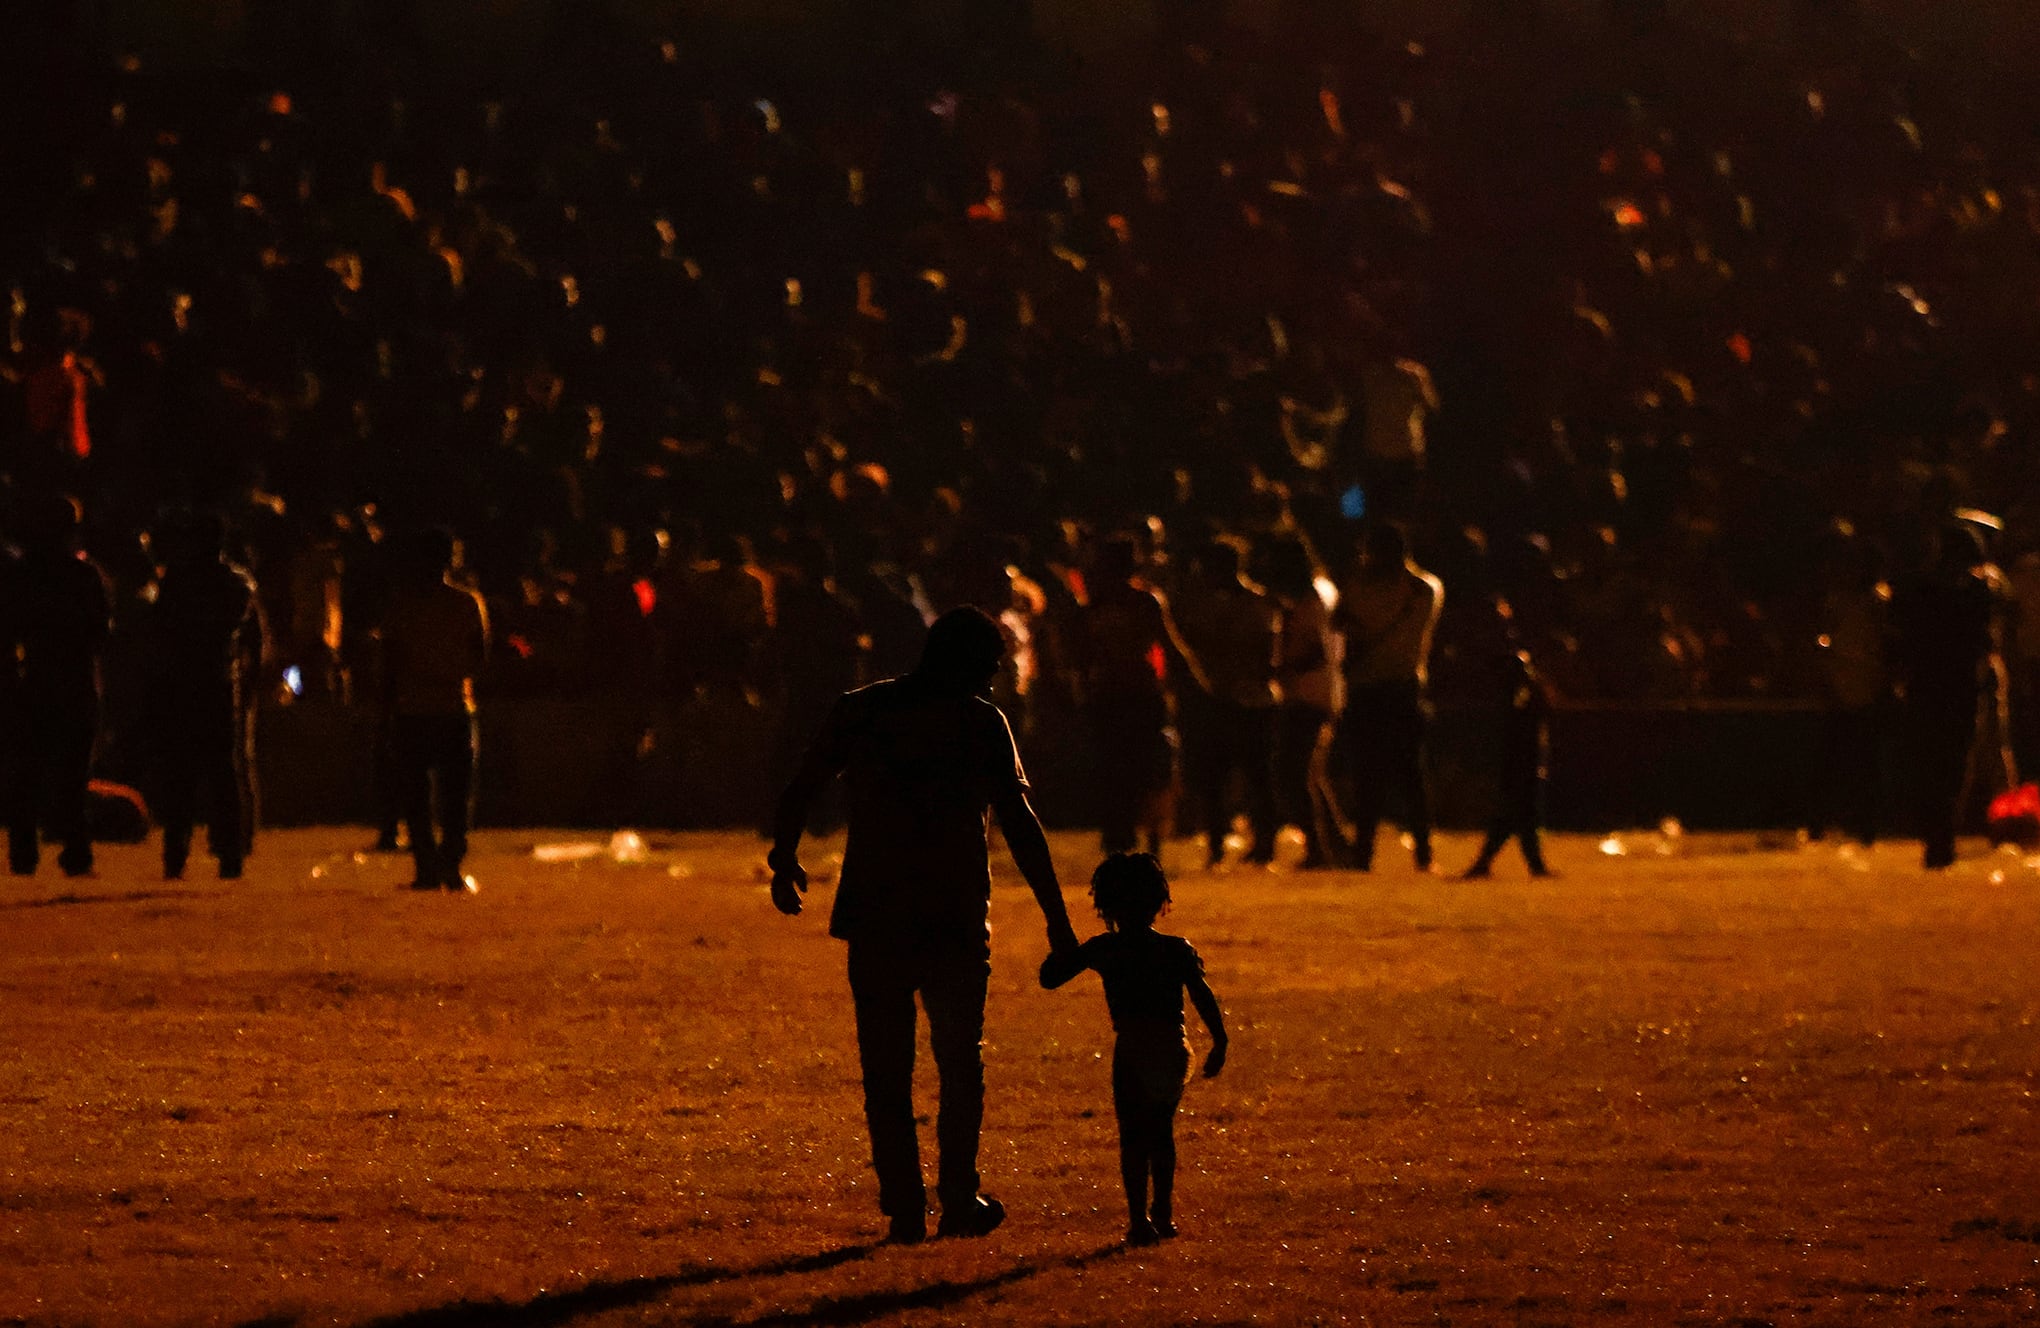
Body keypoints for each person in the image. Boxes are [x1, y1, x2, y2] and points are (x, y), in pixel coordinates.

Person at [767, 606, 1079, 1245]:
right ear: (963, 662)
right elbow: (1020, 825)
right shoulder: (980, 723)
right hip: (952, 913)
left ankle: (905, 1205)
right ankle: (958, 1198)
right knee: (960, 1063)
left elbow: (802, 785)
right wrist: (1057, 920)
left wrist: (785, 856)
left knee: (886, 1066)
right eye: (988, 666)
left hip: (875, 910)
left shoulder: (863, 710)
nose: (992, 680)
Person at [1040, 852, 1227, 1246]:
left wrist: (1062, 944)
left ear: (1105, 904)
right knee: (1161, 1131)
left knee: (1133, 1136)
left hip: (1132, 1048)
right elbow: (1202, 995)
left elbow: (1050, 978)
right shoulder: (1176, 949)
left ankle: (1139, 1219)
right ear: (1158, 899)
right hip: (1172, 1046)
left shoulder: (1105, 949)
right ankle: (1163, 1212)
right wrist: (1219, 1040)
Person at [151, 513, 265, 880]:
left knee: (181, 775)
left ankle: (176, 853)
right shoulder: (238, 583)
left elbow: (160, 632)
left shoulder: (178, 582)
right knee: (223, 774)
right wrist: (250, 680)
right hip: (220, 683)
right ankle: (230, 854)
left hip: (184, 684)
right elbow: (254, 639)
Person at [1079, 535, 1207, 856]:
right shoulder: (1116, 605)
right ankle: (1127, 837)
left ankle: (1137, 837)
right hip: (1123, 694)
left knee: (1138, 770)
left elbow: (1169, 647)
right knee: (1129, 769)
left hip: (1130, 695)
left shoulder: (1129, 604)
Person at [4, 494, 111, 878]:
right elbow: (101, 632)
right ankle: (75, 853)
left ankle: (24, 853)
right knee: (72, 776)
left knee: (26, 775)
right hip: (74, 681)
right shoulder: (84, 576)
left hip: (34, 680)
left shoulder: (22, 575)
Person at [381, 528, 489, 892]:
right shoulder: (467, 603)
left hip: (412, 709)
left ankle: (426, 868)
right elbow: (480, 657)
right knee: (456, 797)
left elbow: (390, 661)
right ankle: (451, 867)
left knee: (416, 796)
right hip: (454, 706)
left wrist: (388, 705)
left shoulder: (402, 606)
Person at [1335, 523, 1444, 871]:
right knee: (1410, 775)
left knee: (1369, 775)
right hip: (1403, 687)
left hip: (1370, 686)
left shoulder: (1360, 588)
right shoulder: (1425, 588)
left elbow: (1342, 622)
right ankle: (1422, 850)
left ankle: (1363, 852)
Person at [1172, 539, 1282, 870]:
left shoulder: (1256, 602)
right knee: (1214, 777)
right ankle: (1219, 844)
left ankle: (1262, 845)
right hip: (1217, 698)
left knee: (1257, 775)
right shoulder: (1209, 604)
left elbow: (1268, 651)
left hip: (1249, 699)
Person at [1890, 523, 1995, 869]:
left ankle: (1939, 833)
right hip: (1947, 687)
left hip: (1939, 687)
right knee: (1946, 764)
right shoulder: (1966, 594)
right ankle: (1940, 833)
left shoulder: (1924, 591)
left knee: (1942, 764)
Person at [1263, 540, 1345, 868]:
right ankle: (1335, 843)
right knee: (1309, 773)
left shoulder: (1310, 601)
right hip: (1321, 691)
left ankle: (1318, 848)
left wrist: (1281, 667)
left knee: (1292, 773)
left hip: (1308, 693)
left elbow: (1315, 650)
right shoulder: (1323, 592)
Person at [1460, 648, 1555, 879]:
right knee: (1518, 816)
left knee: (1517, 818)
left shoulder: (1515, 698)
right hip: (1521, 765)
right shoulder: (1519, 698)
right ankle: (1526, 865)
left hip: (1520, 764)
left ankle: (1518, 864)